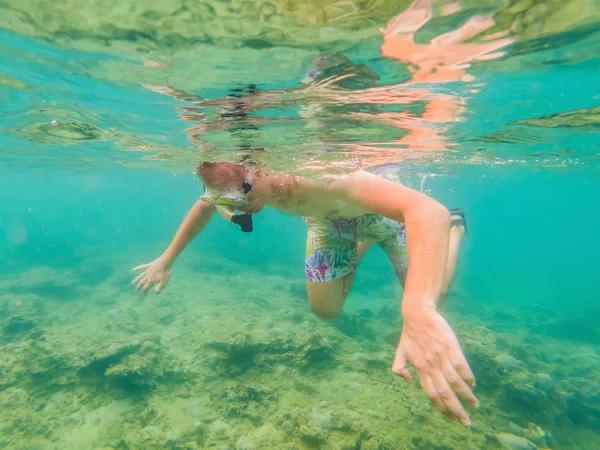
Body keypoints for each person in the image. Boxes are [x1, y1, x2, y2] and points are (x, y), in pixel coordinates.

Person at [132, 160, 477, 425]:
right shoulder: (241, 182)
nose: (235, 207)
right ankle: (361, 245)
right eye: (224, 198)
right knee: (326, 310)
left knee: (436, 292)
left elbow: (427, 210)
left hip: (387, 219)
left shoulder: (328, 177)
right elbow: (204, 206)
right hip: (328, 223)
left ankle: (456, 229)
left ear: (261, 171)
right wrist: (166, 259)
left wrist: (417, 309)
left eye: (238, 197)